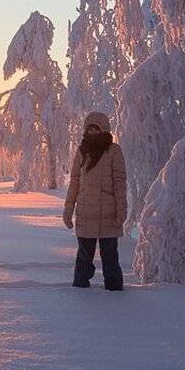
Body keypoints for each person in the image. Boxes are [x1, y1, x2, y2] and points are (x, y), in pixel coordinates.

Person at [62, 111, 127, 291]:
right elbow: (74, 182)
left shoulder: (114, 151)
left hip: (109, 215)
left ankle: (115, 293)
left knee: (110, 258)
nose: (92, 133)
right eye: (89, 129)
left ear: (104, 129)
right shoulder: (82, 151)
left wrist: (121, 211)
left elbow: (120, 183)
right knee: (83, 258)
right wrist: (68, 209)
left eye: (96, 129)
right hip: (85, 214)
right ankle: (80, 291)